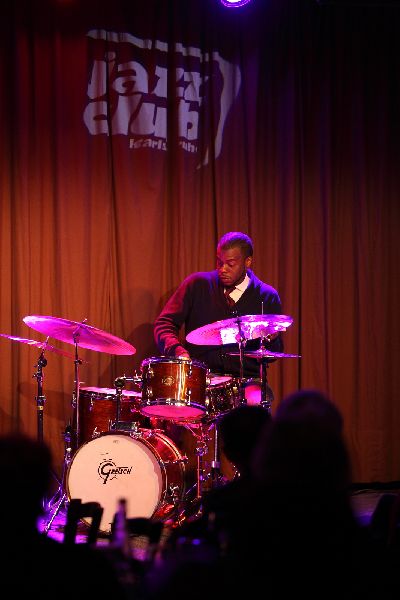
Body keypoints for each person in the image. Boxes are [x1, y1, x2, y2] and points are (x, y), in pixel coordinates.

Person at [153, 231, 284, 405]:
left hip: (247, 383)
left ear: (247, 262)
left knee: (255, 405)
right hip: (201, 379)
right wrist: (178, 351)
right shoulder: (197, 284)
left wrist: (271, 339)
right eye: (219, 262)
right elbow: (164, 323)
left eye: (230, 264)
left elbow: (274, 353)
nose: (223, 269)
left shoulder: (267, 296)